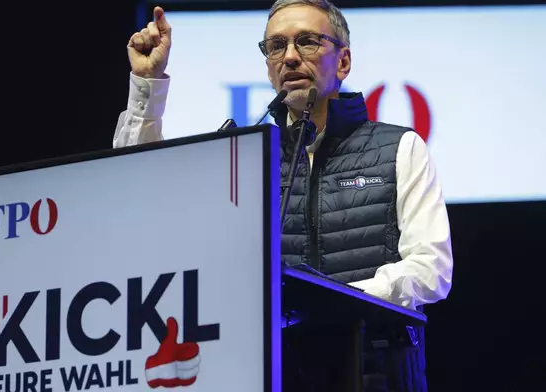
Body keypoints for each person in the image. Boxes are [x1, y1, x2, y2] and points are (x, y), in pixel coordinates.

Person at [113, 1, 453, 391]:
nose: (289, 57)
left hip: (374, 369)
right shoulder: (243, 157)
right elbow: (141, 193)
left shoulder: (399, 147)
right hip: (275, 371)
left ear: (343, 62)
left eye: (307, 42)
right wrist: (147, 84)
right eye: (276, 46)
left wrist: (336, 301)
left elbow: (432, 269)